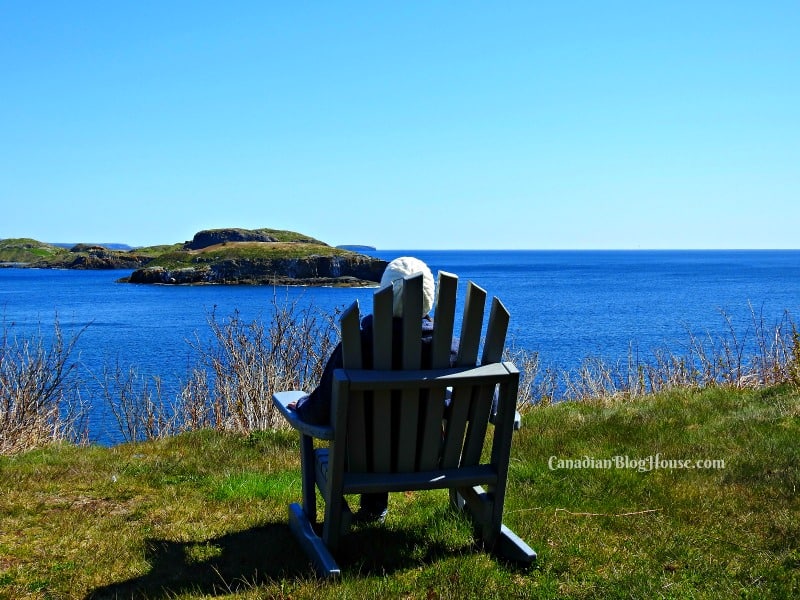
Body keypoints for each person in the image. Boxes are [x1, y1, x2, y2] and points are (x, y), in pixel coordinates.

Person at [288, 256, 458, 524]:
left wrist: (303, 406)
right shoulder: (448, 348)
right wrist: (447, 403)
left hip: (361, 461)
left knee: (372, 432)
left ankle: (342, 518)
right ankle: (373, 508)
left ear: (383, 293)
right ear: (429, 298)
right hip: (431, 458)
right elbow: (487, 403)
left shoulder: (358, 345)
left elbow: (319, 411)